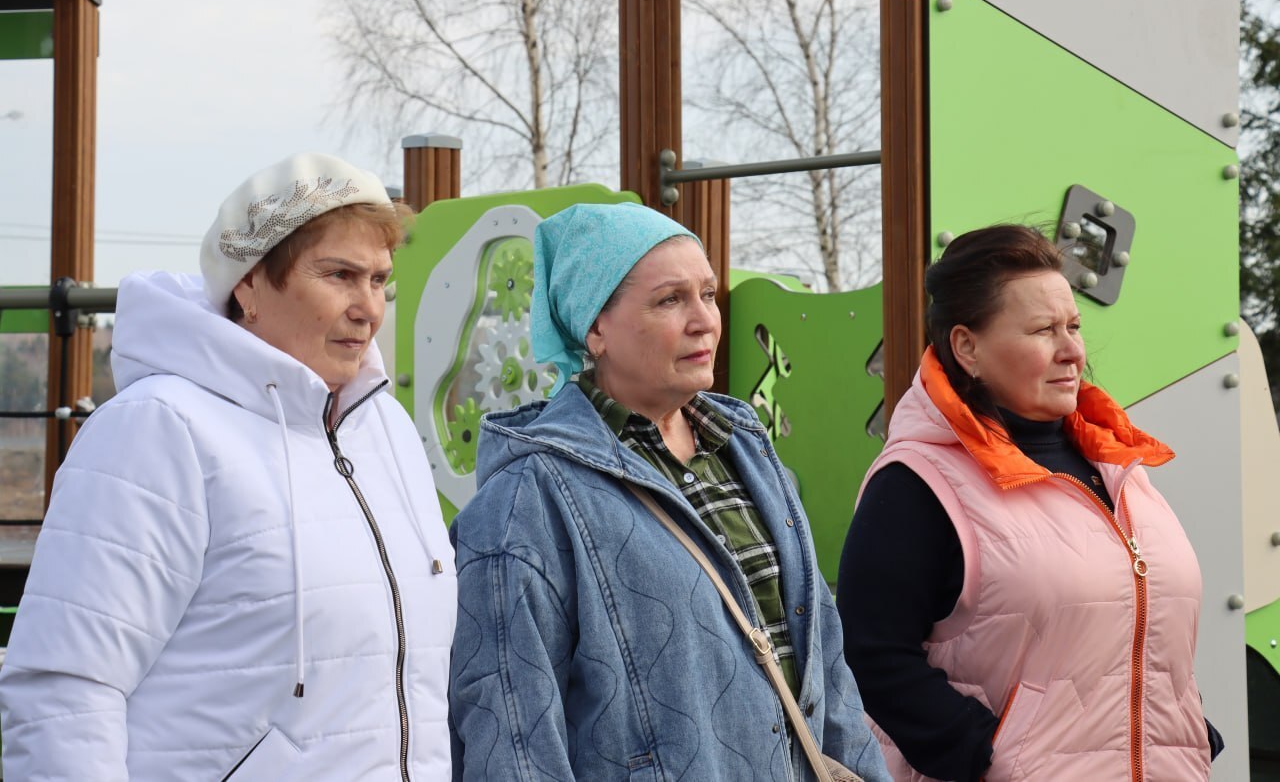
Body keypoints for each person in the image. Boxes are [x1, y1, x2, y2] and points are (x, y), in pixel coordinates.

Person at [0, 153, 456, 779]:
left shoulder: (388, 431)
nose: (368, 308)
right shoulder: (159, 429)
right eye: (340, 275)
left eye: (379, 280)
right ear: (249, 285)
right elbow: (65, 689)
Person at [447, 201, 889, 782]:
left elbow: (825, 665)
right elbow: (512, 730)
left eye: (707, 294)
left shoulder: (746, 450)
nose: (705, 320)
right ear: (595, 329)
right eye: (669, 300)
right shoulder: (526, 499)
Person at [837, 224, 1219, 781]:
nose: (1072, 351)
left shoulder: (1119, 468)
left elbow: (1140, 634)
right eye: (1043, 330)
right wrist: (987, 755)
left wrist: (1190, 727)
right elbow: (869, 653)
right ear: (967, 347)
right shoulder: (918, 482)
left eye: (1074, 327)